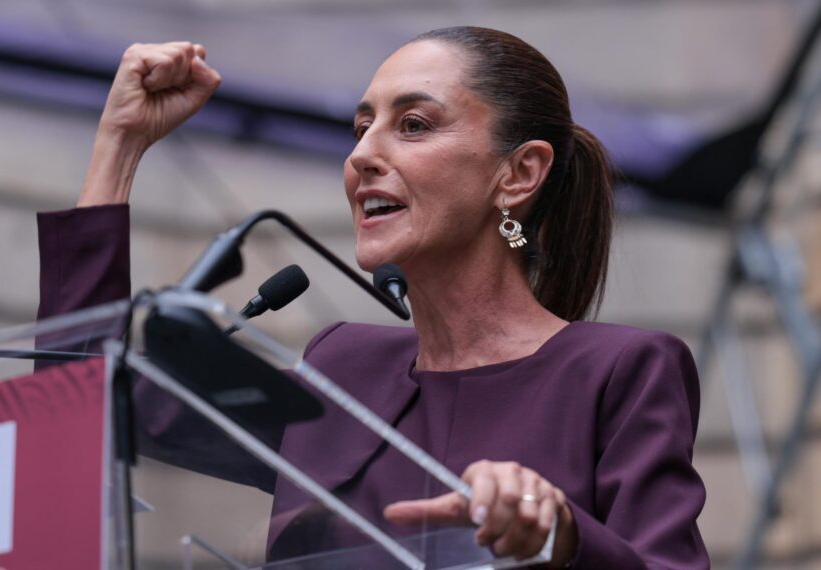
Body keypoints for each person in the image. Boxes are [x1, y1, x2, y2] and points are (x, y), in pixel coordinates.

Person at [37, 27, 708, 568]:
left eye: (412, 125)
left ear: (519, 173)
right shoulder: (343, 365)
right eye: (361, 127)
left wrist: (560, 536)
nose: (362, 154)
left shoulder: (619, 370)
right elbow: (84, 396)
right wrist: (120, 143)